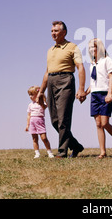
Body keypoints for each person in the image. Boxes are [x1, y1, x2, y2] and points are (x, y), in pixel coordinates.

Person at [37, 21, 86, 158]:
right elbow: (47, 72)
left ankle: (62, 152)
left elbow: (80, 67)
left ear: (64, 32)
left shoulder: (73, 47)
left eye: (56, 31)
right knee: (54, 120)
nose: (53, 33)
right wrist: (41, 91)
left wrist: (81, 89)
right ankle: (75, 146)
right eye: (52, 31)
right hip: (51, 82)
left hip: (66, 80)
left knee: (63, 118)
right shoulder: (50, 50)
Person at [83, 38, 112, 159]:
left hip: (105, 93)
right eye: (90, 47)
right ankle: (102, 152)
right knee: (98, 124)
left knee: (105, 123)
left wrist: (110, 93)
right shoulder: (92, 64)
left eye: (94, 47)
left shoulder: (107, 60)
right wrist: (85, 93)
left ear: (99, 47)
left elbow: (111, 77)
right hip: (94, 95)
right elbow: (93, 82)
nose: (92, 49)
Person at [25, 86, 54, 159]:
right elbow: (29, 115)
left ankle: (49, 152)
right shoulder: (30, 105)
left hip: (40, 121)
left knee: (44, 138)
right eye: (29, 95)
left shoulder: (42, 103)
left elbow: (45, 106)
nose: (30, 96)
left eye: (32, 94)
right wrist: (27, 125)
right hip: (32, 122)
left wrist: (41, 96)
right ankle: (37, 153)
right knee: (35, 139)